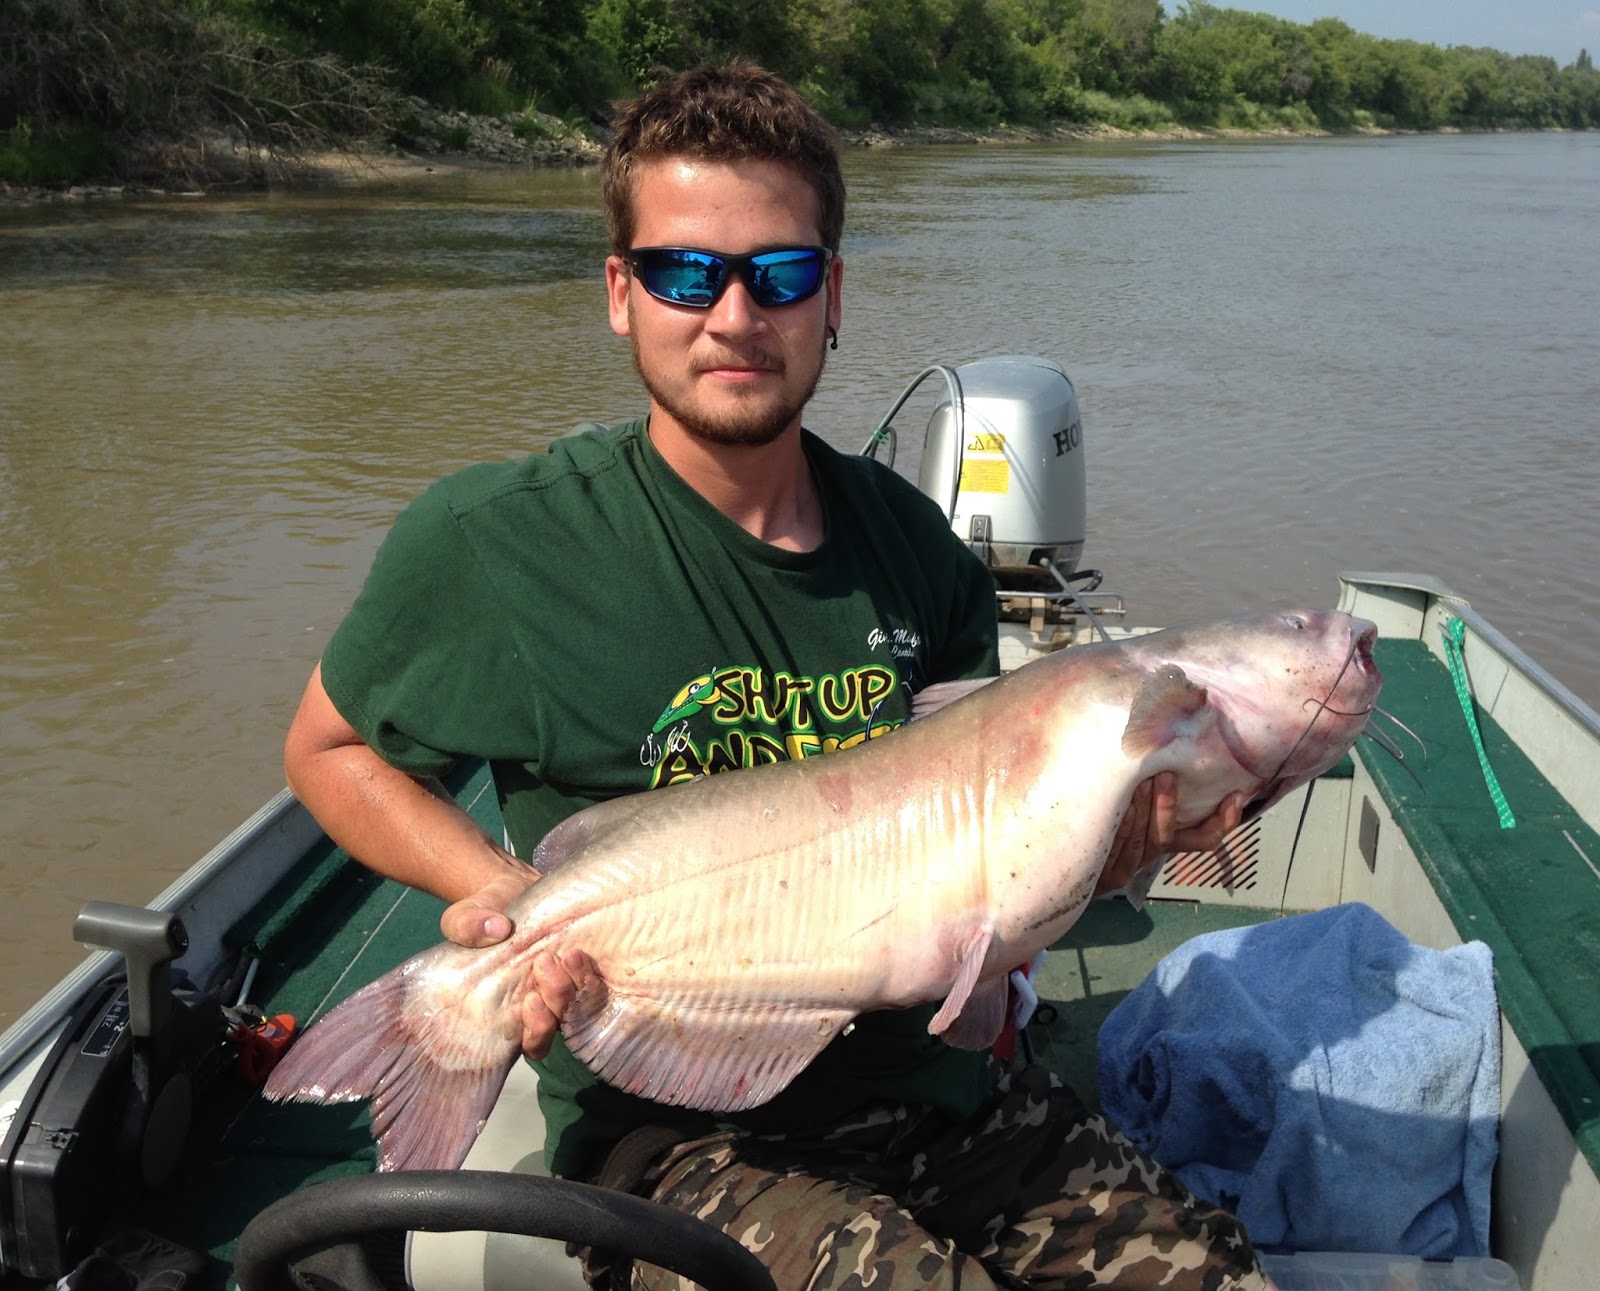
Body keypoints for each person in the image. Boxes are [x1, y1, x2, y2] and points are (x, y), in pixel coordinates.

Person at [283, 60, 1265, 1291]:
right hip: (680, 1138)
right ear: (620, 293)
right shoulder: (496, 545)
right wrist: (499, 896)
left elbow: (992, 890)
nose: (735, 314)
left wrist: (1122, 847)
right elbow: (328, 751)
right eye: (685, 272)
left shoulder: (918, 552)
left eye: (780, 273)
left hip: (941, 1096)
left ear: (832, 295)